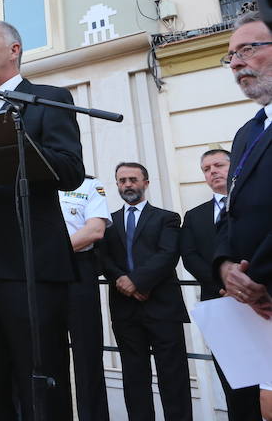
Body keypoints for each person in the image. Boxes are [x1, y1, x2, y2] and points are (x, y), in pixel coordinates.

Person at [0, 20, 85, 420]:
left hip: (30, 264)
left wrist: (13, 146)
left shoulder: (48, 100)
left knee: (41, 382)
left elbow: (70, 170)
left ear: (14, 50)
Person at [214, 9, 272, 418]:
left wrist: (258, 277)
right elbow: (230, 211)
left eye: (247, 49)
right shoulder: (247, 133)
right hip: (252, 309)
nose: (236, 63)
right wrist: (226, 267)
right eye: (231, 55)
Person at [100, 162, 191, 421]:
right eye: (122, 180)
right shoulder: (108, 222)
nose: (127, 184)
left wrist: (138, 282)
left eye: (132, 179)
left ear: (146, 183)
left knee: (173, 377)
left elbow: (168, 255)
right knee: (134, 378)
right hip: (125, 310)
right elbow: (104, 259)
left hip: (162, 307)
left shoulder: (168, 218)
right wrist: (123, 282)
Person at [181, 149, 261, 420]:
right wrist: (223, 283)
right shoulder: (194, 216)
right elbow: (190, 256)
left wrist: (249, 284)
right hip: (219, 303)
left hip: (260, 299)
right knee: (234, 382)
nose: (212, 171)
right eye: (206, 168)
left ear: (234, 166)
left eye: (218, 165)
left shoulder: (255, 204)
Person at [59, 177, 111, 421]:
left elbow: (95, 230)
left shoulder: (89, 185)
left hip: (79, 269)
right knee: (47, 355)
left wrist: (52, 251)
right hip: (40, 275)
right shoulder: (35, 183)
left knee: (87, 355)